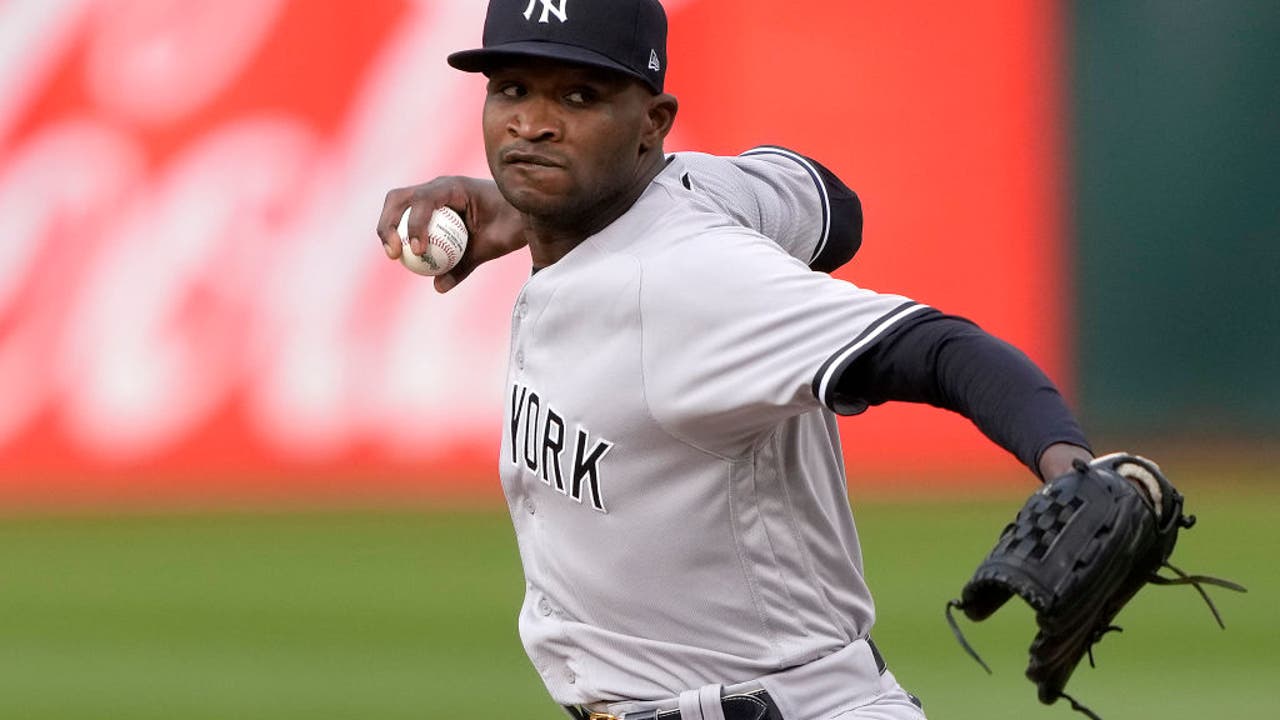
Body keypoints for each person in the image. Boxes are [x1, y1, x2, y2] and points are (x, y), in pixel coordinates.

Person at [375, 1, 1097, 718]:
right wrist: (524, 206)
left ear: (653, 125)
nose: (532, 122)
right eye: (511, 88)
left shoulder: (694, 280)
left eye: (579, 96)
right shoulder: (698, 193)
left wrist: (1070, 468)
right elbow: (833, 208)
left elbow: (933, 346)